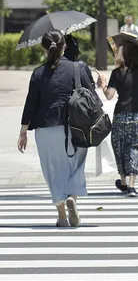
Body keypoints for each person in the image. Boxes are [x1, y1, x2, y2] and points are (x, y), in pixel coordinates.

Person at [18, 30, 98, 227]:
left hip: (45, 130)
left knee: (53, 172)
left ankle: (62, 216)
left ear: (44, 48)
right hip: (75, 127)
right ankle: (72, 196)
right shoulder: (76, 68)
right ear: (65, 46)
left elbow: (31, 104)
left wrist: (22, 132)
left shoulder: (37, 73)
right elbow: (92, 97)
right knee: (76, 166)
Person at [97, 44, 138, 197]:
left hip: (121, 117)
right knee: (135, 150)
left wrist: (103, 84)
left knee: (121, 149)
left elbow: (109, 95)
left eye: (118, 51)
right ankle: (129, 185)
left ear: (124, 55)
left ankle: (123, 181)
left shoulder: (117, 73)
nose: (116, 53)